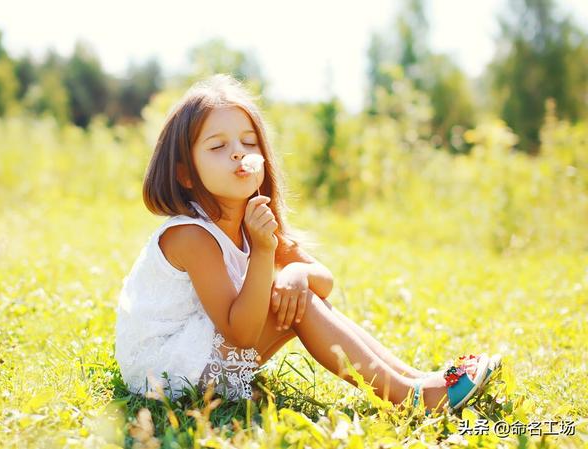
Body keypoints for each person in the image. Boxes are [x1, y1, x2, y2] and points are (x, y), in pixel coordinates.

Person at [114, 74, 501, 413]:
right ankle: (409, 395)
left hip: (202, 354)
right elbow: (240, 335)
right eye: (217, 147)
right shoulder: (192, 235)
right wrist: (266, 253)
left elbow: (324, 281)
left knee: (299, 295)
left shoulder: (251, 219)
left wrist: (296, 272)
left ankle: (416, 380)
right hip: (165, 371)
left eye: (249, 143)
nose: (238, 152)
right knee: (298, 306)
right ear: (184, 173)